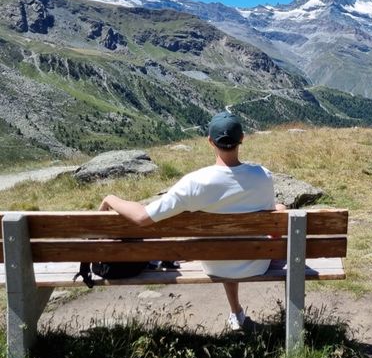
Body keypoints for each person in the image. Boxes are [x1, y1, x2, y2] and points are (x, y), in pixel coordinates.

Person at [99, 111, 282, 331]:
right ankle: (236, 313)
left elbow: (142, 217)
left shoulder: (195, 182)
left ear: (210, 141)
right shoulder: (263, 176)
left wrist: (111, 198)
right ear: (241, 138)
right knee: (278, 211)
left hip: (214, 263)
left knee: (224, 244)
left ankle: (236, 312)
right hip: (257, 263)